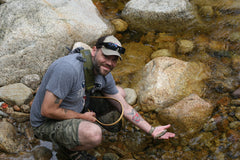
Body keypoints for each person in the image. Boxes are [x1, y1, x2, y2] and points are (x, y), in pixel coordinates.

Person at [30, 35, 175, 160]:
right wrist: (82, 117)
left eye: (114, 60)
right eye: (105, 56)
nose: (109, 63)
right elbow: (47, 110)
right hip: (46, 122)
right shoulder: (68, 69)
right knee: (94, 134)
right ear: (94, 51)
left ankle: (76, 132)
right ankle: (67, 151)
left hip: (76, 105)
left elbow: (124, 106)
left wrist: (151, 129)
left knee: (120, 94)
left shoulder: (104, 73)